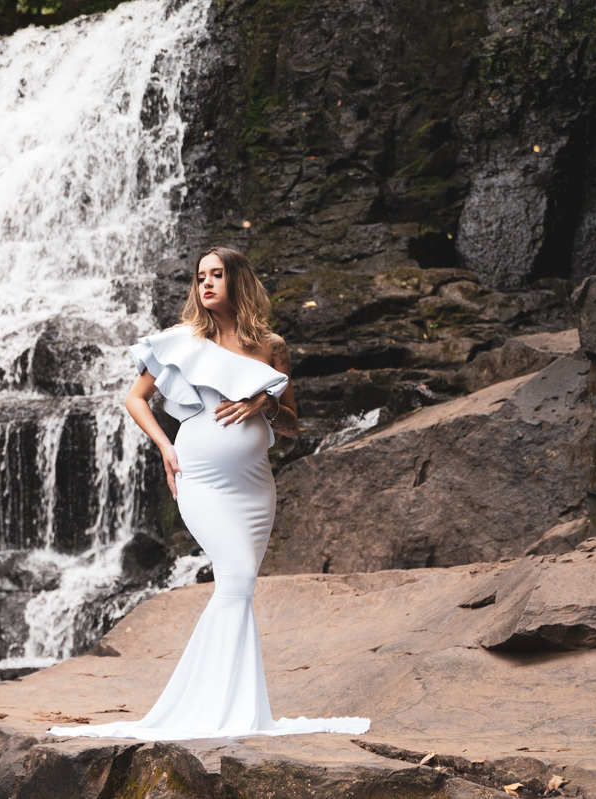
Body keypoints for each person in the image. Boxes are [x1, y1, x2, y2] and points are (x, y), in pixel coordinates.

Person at [48, 246, 370, 740]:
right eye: (201, 276)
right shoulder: (183, 341)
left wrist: (263, 400)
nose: (207, 284)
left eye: (217, 275)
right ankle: (201, 707)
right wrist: (163, 447)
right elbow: (135, 399)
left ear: (238, 280)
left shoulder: (271, 347)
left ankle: (233, 707)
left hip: (255, 489)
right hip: (200, 479)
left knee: (235, 590)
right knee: (237, 580)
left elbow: (291, 428)